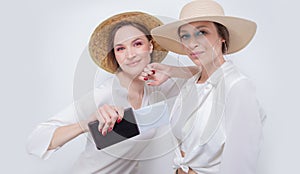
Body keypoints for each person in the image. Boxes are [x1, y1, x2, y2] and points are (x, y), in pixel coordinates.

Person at [26, 11, 199, 174]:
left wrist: (171, 70)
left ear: (151, 46)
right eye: (120, 48)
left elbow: (204, 74)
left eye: (137, 44)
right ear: (115, 55)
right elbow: (35, 141)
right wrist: (85, 124)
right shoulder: (103, 95)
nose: (130, 55)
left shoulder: (156, 87)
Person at [142, 0, 266, 173]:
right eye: (185, 35)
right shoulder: (191, 83)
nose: (192, 43)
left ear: (222, 36)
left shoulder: (238, 87)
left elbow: (241, 165)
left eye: (202, 32)